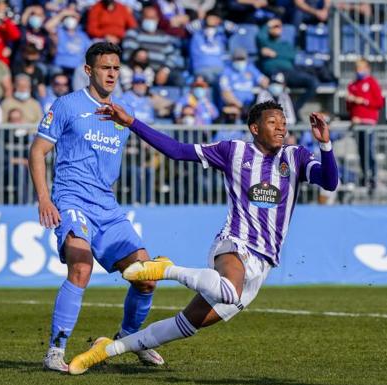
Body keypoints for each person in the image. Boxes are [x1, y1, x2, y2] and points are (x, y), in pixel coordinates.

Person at [66, 100, 339, 375]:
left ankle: (108, 349)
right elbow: (177, 151)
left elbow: (329, 182)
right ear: (255, 128)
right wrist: (132, 123)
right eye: (273, 122)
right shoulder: (233, 151)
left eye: (283, 122)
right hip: (236, 243)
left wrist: (325, 146)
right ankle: (166, 269)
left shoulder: (295, 157)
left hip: (264, 263)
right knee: (229, 292)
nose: (281, 127)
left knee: (187, 324)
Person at [28, 42, 165, 372]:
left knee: (146, 278)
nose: (112, 74)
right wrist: (45, 199)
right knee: (81, 266)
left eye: (116, 68)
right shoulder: (67, 105)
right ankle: (55, 351)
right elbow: (37, 152)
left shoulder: (121, 110)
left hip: (107, 205)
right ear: (89, 71)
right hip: (72, 198)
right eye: (106, 68)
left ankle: (128, 340)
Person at [257, 17, 319, 121]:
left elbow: (291, 55)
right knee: (277, 85)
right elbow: (259, 36)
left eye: (279, 27)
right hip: (274, 72)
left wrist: (275, 54)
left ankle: (295, 108)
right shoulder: (265, 42)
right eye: (274, 27)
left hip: (290, 72)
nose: (277, 29)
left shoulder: (286, 44)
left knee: (313, 82)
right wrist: (268, 24)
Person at [345, 58, 383, 192]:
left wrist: (363, 101)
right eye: (357, 68)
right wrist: (350, 101)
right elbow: (349, 107)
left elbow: (379, 103)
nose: (358, 71)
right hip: (357, 124)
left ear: (367, 68)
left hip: (368, 123)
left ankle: (372, 177)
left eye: (361, 68)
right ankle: (364, 176)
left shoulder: (372, 83)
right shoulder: (352, 85)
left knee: (369, 150)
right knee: (361, 151)